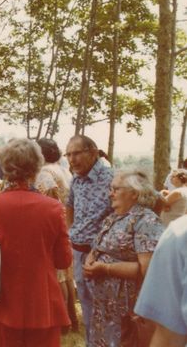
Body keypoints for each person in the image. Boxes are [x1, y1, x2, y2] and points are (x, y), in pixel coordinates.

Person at [0, 138, 71, 347]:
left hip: (3, 300)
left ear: (6, 167)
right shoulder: (53, 208)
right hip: (42, 301)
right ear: (37, 166)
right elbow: (63, 260)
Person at [83, 170, 164, 346]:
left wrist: (105, 268)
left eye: (116, 189)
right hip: (105, 306)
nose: (110, 193)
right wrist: (91, 259)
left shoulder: (146, 221)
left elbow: (148, 269)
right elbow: (99, 247)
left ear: (134, 193)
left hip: (128, 309)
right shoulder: (114, 217)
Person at [64, 134, 113, 342]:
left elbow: (150, 201)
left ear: (92, 152)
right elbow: (70, 206)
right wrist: (71, 231)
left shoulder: (112, 179)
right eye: (68, 154)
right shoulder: (76, 178)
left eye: (76, 153)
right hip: (78, 252)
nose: (71, 159)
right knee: (87, 307)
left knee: (106, 311)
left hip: (103, 258)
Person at [35, 138, 78, 333]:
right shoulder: (62, 169)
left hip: (56, 224)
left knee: (59, 277)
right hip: (68, 222)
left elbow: (49, 195)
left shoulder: (45, 172)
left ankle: (63, 322)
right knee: (67, 275)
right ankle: (72, 319)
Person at [134, 215, 187, 347]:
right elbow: (168, 337)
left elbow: (143, 266)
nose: (111, 193)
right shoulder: (179, 235)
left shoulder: (148, 221)